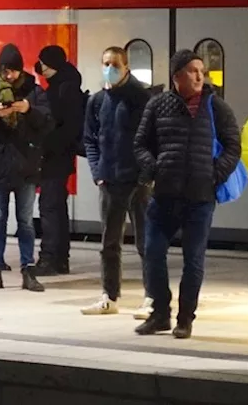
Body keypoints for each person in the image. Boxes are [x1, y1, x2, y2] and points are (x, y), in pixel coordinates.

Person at [132, 50, 240, 339]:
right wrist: (153, 167)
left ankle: (185, 318)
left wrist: (214, 175)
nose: (199, 75)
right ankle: (160, 314)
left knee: (193, 260)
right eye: (192, 70)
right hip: (164, 195)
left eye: (201, 70)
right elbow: (140, 143)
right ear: (176, 75)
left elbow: (233, 146)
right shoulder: (157, 105)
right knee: (152, 253)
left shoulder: (216, 106)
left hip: (199, 198)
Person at [0, 44, 51, 293]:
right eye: (6, 71)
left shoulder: (35, 92)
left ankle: (28, 269)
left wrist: (29, 110)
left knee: (26, 221)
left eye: (14, 71)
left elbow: (48, 123)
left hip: (25, 166)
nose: (10, 77)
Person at [80, 46, 152, 316]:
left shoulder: (141, 99)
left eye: (115, 64)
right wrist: (98, 172)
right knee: (109, 244)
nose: (109, 68)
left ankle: (153, 297)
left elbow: (152, 140)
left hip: (139, 181)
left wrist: (146, 174)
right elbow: (89, 139)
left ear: (126, 68)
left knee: (147, 242)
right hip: (110, 181)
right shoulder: (97, 101)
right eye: (106, 63)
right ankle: (109, 296)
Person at [33, 45, 84, 277]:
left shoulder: (63, 90)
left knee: (49, 207)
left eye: (43, 62)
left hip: (55, 157)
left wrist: (48, 144)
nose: (40, 66)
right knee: (56, 207)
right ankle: (60, 259)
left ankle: (50, 258)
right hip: (59, 157)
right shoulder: (64, 85)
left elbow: (64, 127)